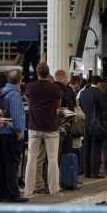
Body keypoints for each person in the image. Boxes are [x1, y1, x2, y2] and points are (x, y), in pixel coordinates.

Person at [23, 63, 63, 197]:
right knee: (52, 160)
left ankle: (28, 190)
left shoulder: (30, 86)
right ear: (48, 72)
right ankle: (54, 189)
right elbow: (58, 104)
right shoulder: (55, 88)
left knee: (31, 159)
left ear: (37, 73)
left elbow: (29, 102)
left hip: (34, 127)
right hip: (51, 128)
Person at [0, 70, 28, 203]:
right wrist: (19, 130)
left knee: (2, 165)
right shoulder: (14, 95)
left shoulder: (1, 92)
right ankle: (13, 194)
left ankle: (2, 193)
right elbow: (16, 115)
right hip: (11, 134)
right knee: (12, 165)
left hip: (0, 133)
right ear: (20, 80)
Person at [79, 75, 107, 178]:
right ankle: (95, 172)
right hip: (96, 124)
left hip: (86, 123)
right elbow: (105, 107)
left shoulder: (83, 92)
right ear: (99, 83)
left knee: (87, 147)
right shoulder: (98, 93)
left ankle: (87, 172)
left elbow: (81, 106)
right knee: (96, 148)